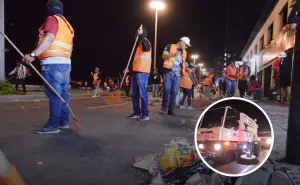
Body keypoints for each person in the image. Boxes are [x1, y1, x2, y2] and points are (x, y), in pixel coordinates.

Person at [22, 0, 74, 134]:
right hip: (65, 64)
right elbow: (71, 48)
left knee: (54, 95)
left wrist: (33, 55)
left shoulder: (52, 19)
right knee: (63, 94)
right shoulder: (68, 26)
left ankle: (53, 125)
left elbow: (49, 38)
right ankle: (63, 122)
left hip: (52, 64)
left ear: (49, 8)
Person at [160, 37, 191, 116]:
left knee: (174, 92)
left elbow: (182, 63)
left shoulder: (184, 52)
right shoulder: (170, 46)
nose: (186, 47)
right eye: (186, 45)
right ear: (182, 42)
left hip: (177, 75)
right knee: (166, 90)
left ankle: (171, 110)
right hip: (168, 72)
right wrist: (174, 54)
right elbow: (163, 56)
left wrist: (187, 69)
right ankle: (164, 108)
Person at [127, 26, 152, 121]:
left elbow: (147, 49)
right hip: (135, 71)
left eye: (139, 31)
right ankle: (137, 113)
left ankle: (145, 114)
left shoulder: (145, 41)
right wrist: (129, 69)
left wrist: (141, 35)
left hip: (143, 72)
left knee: (142, 93)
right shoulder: (137, 45)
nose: (137, 32)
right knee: (134, 93)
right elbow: (136, 60)